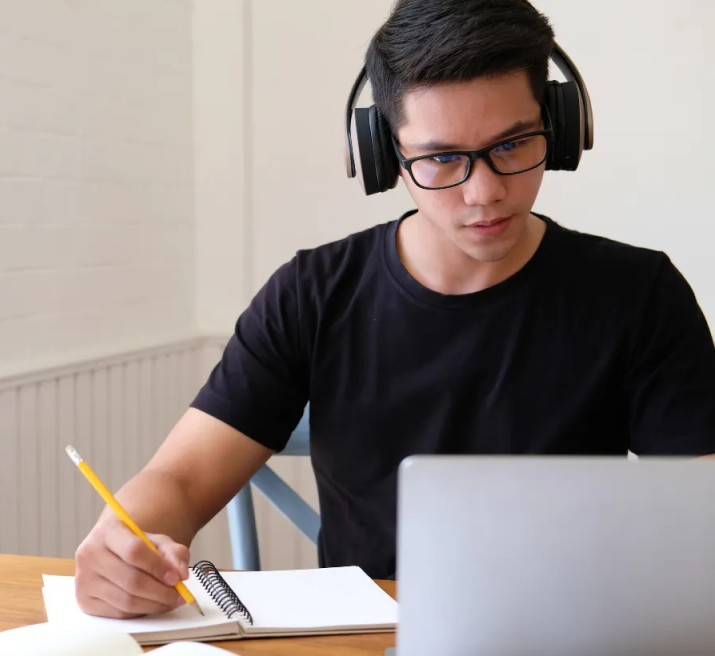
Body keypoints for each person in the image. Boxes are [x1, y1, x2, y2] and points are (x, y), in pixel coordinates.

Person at [73, 0, 715, 619]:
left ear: (561, 128)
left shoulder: (641, 294)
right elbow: (180, 480)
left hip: (573, 633)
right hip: (364, 642)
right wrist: (122, 547)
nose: (484, 192)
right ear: (386, 157)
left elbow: (700, 518)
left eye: (514, 144)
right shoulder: (311, 294)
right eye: (441, 158)